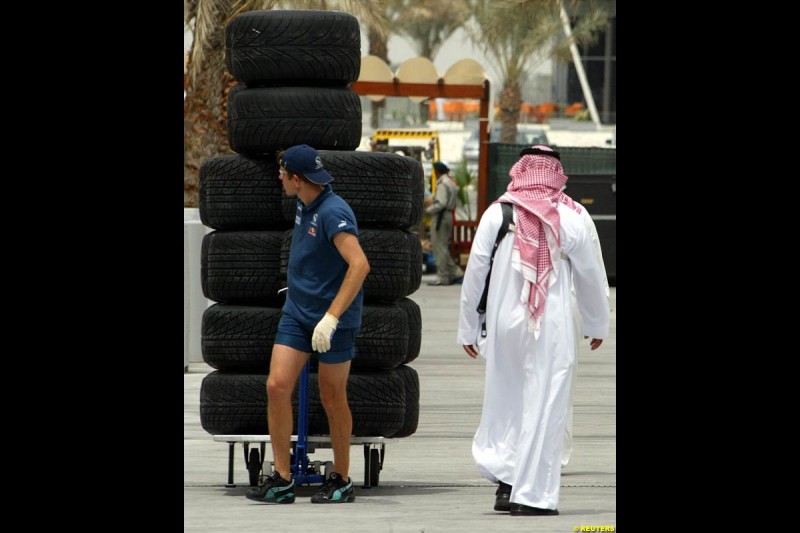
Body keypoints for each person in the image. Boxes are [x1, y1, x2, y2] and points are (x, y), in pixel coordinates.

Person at [457, 145, 609, 516]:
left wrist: (468, 328)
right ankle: (533, 496)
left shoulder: (498, 212)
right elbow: (591, 273)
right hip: (550, 327)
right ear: (556, 174)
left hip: (503, 324)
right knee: (546, 403)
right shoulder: (572, 215)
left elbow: (476, 271)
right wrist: (596, 322)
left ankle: (507, 484)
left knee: (507, 401)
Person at [246, 144, 370, 505]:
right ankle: (282, 479)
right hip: (297, 314)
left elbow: (359, 265)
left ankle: (342, 479)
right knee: (276, 386)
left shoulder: (333, 211)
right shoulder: (304, 202)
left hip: (333, 322)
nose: (279, 178)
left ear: (297, 179)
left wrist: (331, 319)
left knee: (332, 398)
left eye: (282, 173)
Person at [425, 161, 464, 286]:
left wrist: (428, 210)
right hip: (448, 215)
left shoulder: (442, 184)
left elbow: (441, 203)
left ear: (437, 171)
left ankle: (443, 277)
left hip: (440, 217)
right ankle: (456, 273)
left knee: (439, 247)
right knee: (443, 247)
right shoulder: (450, 182)